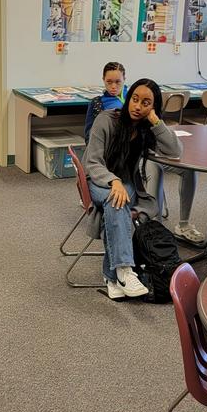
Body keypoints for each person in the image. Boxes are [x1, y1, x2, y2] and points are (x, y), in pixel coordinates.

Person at [83, 78, 182, 300]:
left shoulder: (146, 128)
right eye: (135, 99)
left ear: (153, 106)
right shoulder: (106, 120)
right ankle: (126, 271)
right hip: (98, 179)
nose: (138, 106)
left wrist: (155, 121)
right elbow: (92, 161)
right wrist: (113, 182)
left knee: (118, 203)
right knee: (116, 199)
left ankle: (111, 276)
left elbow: (175, 150)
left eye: (146, 103)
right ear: (128, 99)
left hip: (126, 181)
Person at [84, 63, 205, 244]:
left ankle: (174, 225)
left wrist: (156, 122)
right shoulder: (103, 110)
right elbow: (92, 147)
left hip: (135, 164)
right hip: (108, 168)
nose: (113, 86)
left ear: (125, 81)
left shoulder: (143, 122)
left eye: (118, 82)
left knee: (179, 169)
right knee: (123, 197)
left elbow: (175, 151)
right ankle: (146, 230)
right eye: (109, 82)